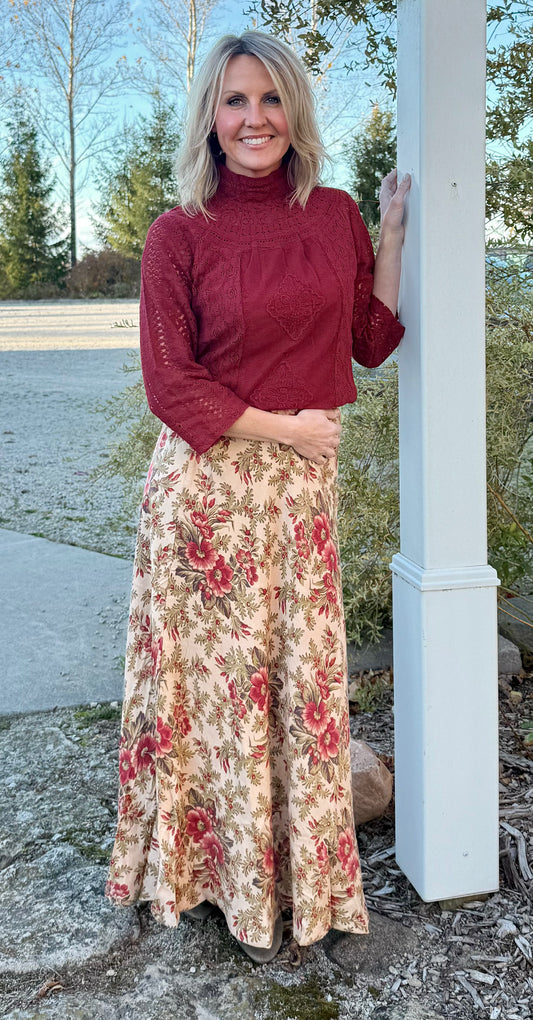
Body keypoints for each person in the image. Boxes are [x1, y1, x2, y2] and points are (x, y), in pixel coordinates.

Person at [105, 30, 410, 964]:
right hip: (208, 496)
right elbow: (170, 383)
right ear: (210, 118)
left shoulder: (334, 215)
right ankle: (214, 884)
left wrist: (390, 238)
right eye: (234, 102)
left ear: (293, 112)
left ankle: (290, 880)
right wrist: (286, 429)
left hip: (297, 497)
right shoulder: (177, 233)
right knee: (218, 699)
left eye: (269, 100)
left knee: (297, 693)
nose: (253, 119)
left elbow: (368, 337)